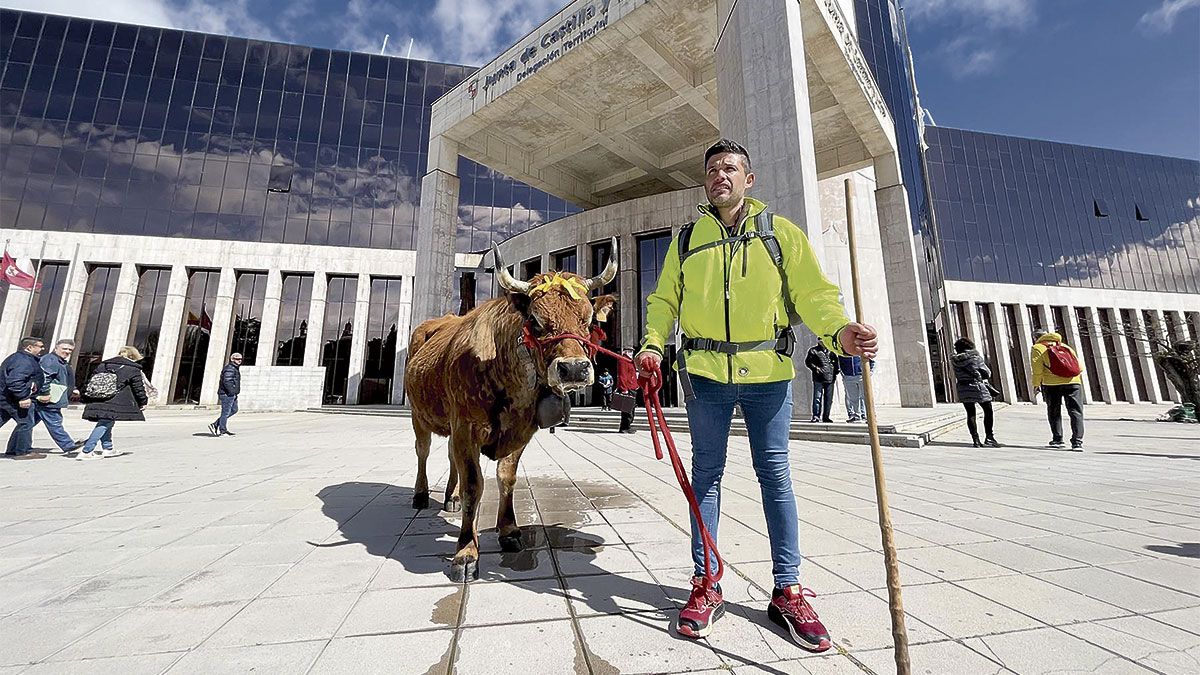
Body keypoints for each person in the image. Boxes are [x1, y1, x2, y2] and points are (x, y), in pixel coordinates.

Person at [637, 139, 877, 652]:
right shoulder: (687, 240)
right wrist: (653, 344)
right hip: (704, 376)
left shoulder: (779, 234)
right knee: (706, 475)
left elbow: (816, 294)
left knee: (775, 474)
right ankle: (706, 584)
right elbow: (662, 301)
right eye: (712, 170)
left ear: (749, 180)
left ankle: (788, 590)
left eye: (730, 168)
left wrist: (840, 333)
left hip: (768, 375)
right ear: (705, 183)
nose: (720, 175)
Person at [78, 346, 148, 460]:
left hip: (97, 398)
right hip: (114, 400)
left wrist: (85, 397)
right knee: (104, 423)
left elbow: (90, 381)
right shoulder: (132, 369)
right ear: (133, 357)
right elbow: (138, 388)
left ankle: (108, 448)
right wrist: (143, 402)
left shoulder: (102, 365)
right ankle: (87, 451)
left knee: (107, 422)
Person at [1031, 329, 1085, 450]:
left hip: (1051, 384)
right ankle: (1077, 442)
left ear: (1035, 338)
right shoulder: (1065, 346)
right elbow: (1080, 367)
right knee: (1076, 411)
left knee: (1054, 411)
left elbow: (1037, 370)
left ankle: (1058, 439)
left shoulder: (1037, 348)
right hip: (1073, 382)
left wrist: (1036, 385)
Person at [951, 338, 1001, 448]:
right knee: (988, 411)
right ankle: (989, 437)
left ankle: (976, 440)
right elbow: (986, 373)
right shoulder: (975, 357)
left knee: (970, 413)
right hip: (977, 386)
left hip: (963, 387)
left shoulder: (955, 360)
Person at [2, 336, 47, 459]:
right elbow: (15, 381)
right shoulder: (23, 361)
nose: (42, 349)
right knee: (26, 423)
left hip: (7, 398)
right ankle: (23, 451)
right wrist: (23, 397)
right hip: (14, 399)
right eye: (40, 346)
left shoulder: (22, 358)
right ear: (29, 347)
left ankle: (13, 450)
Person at [35, 338, 82, 453]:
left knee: (27, 424)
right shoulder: (51, 360)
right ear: (56, 348)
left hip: (51, 397)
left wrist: (73, 389)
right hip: (49, 399)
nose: (67, 351)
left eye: (70, 350)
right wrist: (45, 393)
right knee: (54, 421)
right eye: (64, 348)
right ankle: (67, 445)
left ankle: (16, 447)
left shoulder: (59, 361)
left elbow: (61, 378)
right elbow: (45, 378)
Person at [209, 352, 242, 436]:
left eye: (241, 359)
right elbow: (227, 381)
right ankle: (222, 431)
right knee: (225, 412)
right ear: (232, 359)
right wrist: (232, 392)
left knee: (234, 410)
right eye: (237, 359)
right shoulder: (230, 368)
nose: (239, 361)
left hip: (232, 394)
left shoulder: (234, 368)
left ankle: (215, 424)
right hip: (227, 394)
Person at [804, 341, 837, 423]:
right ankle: (816, 416)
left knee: (828, 399)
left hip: (830, 377)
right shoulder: (813, 350)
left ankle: (826, 417)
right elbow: (808, 362)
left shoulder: (831, 351)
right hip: (818, 378)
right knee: (817, 398)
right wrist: (816, 369)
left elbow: (836, 363)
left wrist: (835, 372)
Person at [837, 354, 873, 423]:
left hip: (861, 376)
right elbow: (839, 364)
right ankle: (857, 416)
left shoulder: (860, 351)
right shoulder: (843, 353)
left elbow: (872, 362)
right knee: (853, 398)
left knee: (865, 397)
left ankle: (868, 416)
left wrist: (869, 373)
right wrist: (844, 374)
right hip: (848, 377)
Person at [616, 349, 638, 434]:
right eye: (630, 351)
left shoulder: (629, 361)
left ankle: (627, 426)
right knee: (627, 410)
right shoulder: (623, 360)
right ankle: (625, 427)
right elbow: (622, 375)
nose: (632, 353)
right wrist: (624, 389)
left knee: (630, 409)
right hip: (628, 388)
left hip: (631, 387)